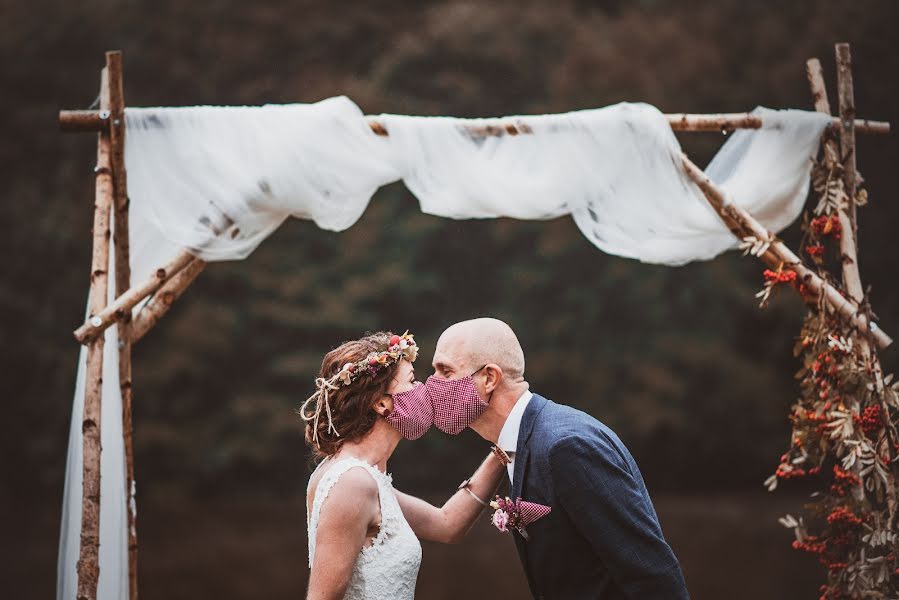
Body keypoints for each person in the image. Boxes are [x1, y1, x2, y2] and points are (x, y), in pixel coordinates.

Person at [427, 317, 691, 600]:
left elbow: (652, 574)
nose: (431, 385)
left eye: (445, 371)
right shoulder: (523, 441)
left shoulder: (566, 447)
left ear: (490, 378)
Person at [300, 330, 508, 600]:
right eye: (412, 381)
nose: (423, 390)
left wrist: (503, 449)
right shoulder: (352, 483)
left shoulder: (367, 477)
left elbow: (446, 525)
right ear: (382, 403)